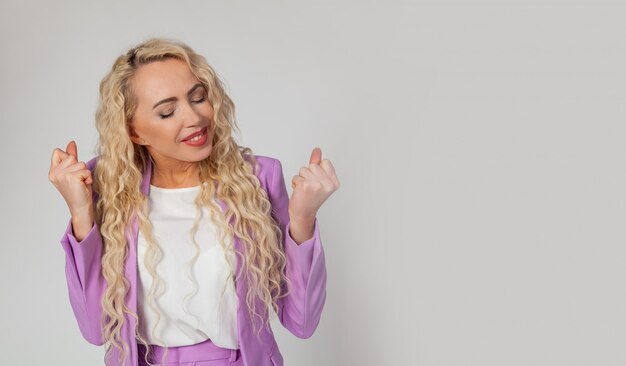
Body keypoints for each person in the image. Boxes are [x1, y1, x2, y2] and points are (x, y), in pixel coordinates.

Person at [48, 37, 340, 366]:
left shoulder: (256, 179)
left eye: (198, 97)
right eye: (167, 111)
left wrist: (302, 220)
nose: (194, 117)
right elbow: (96, 330)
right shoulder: (109, 186)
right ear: (134, 132)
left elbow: (301, 322)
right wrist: (80, 212)